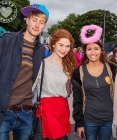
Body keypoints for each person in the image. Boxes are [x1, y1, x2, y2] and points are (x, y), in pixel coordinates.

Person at [0, 4, 49, 140]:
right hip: (4, 111)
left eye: (41, 22)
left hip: (26, 112)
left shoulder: (41, 51)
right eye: (34, 20)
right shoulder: (7, 40)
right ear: (27, 20)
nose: (37, 25)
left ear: (44, 26)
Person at [72, 24, 117, 140]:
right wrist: (79, 122)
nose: (93, 52)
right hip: (89, 120)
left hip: (108, 119)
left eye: (96, 48)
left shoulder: (112, 68)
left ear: (101, 50)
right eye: (89, 49)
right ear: (85, 51)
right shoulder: (79, 72)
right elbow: (77, 100)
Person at [33, 29, 77, 140]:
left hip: (62, 107)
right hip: (47, 109)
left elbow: (69, 92)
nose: (64, 49)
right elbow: (32, 88)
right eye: (61, 45)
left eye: (67, 46)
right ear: (53, 44)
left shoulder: (68, 66)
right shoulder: (42, 64)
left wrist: (71, 116)